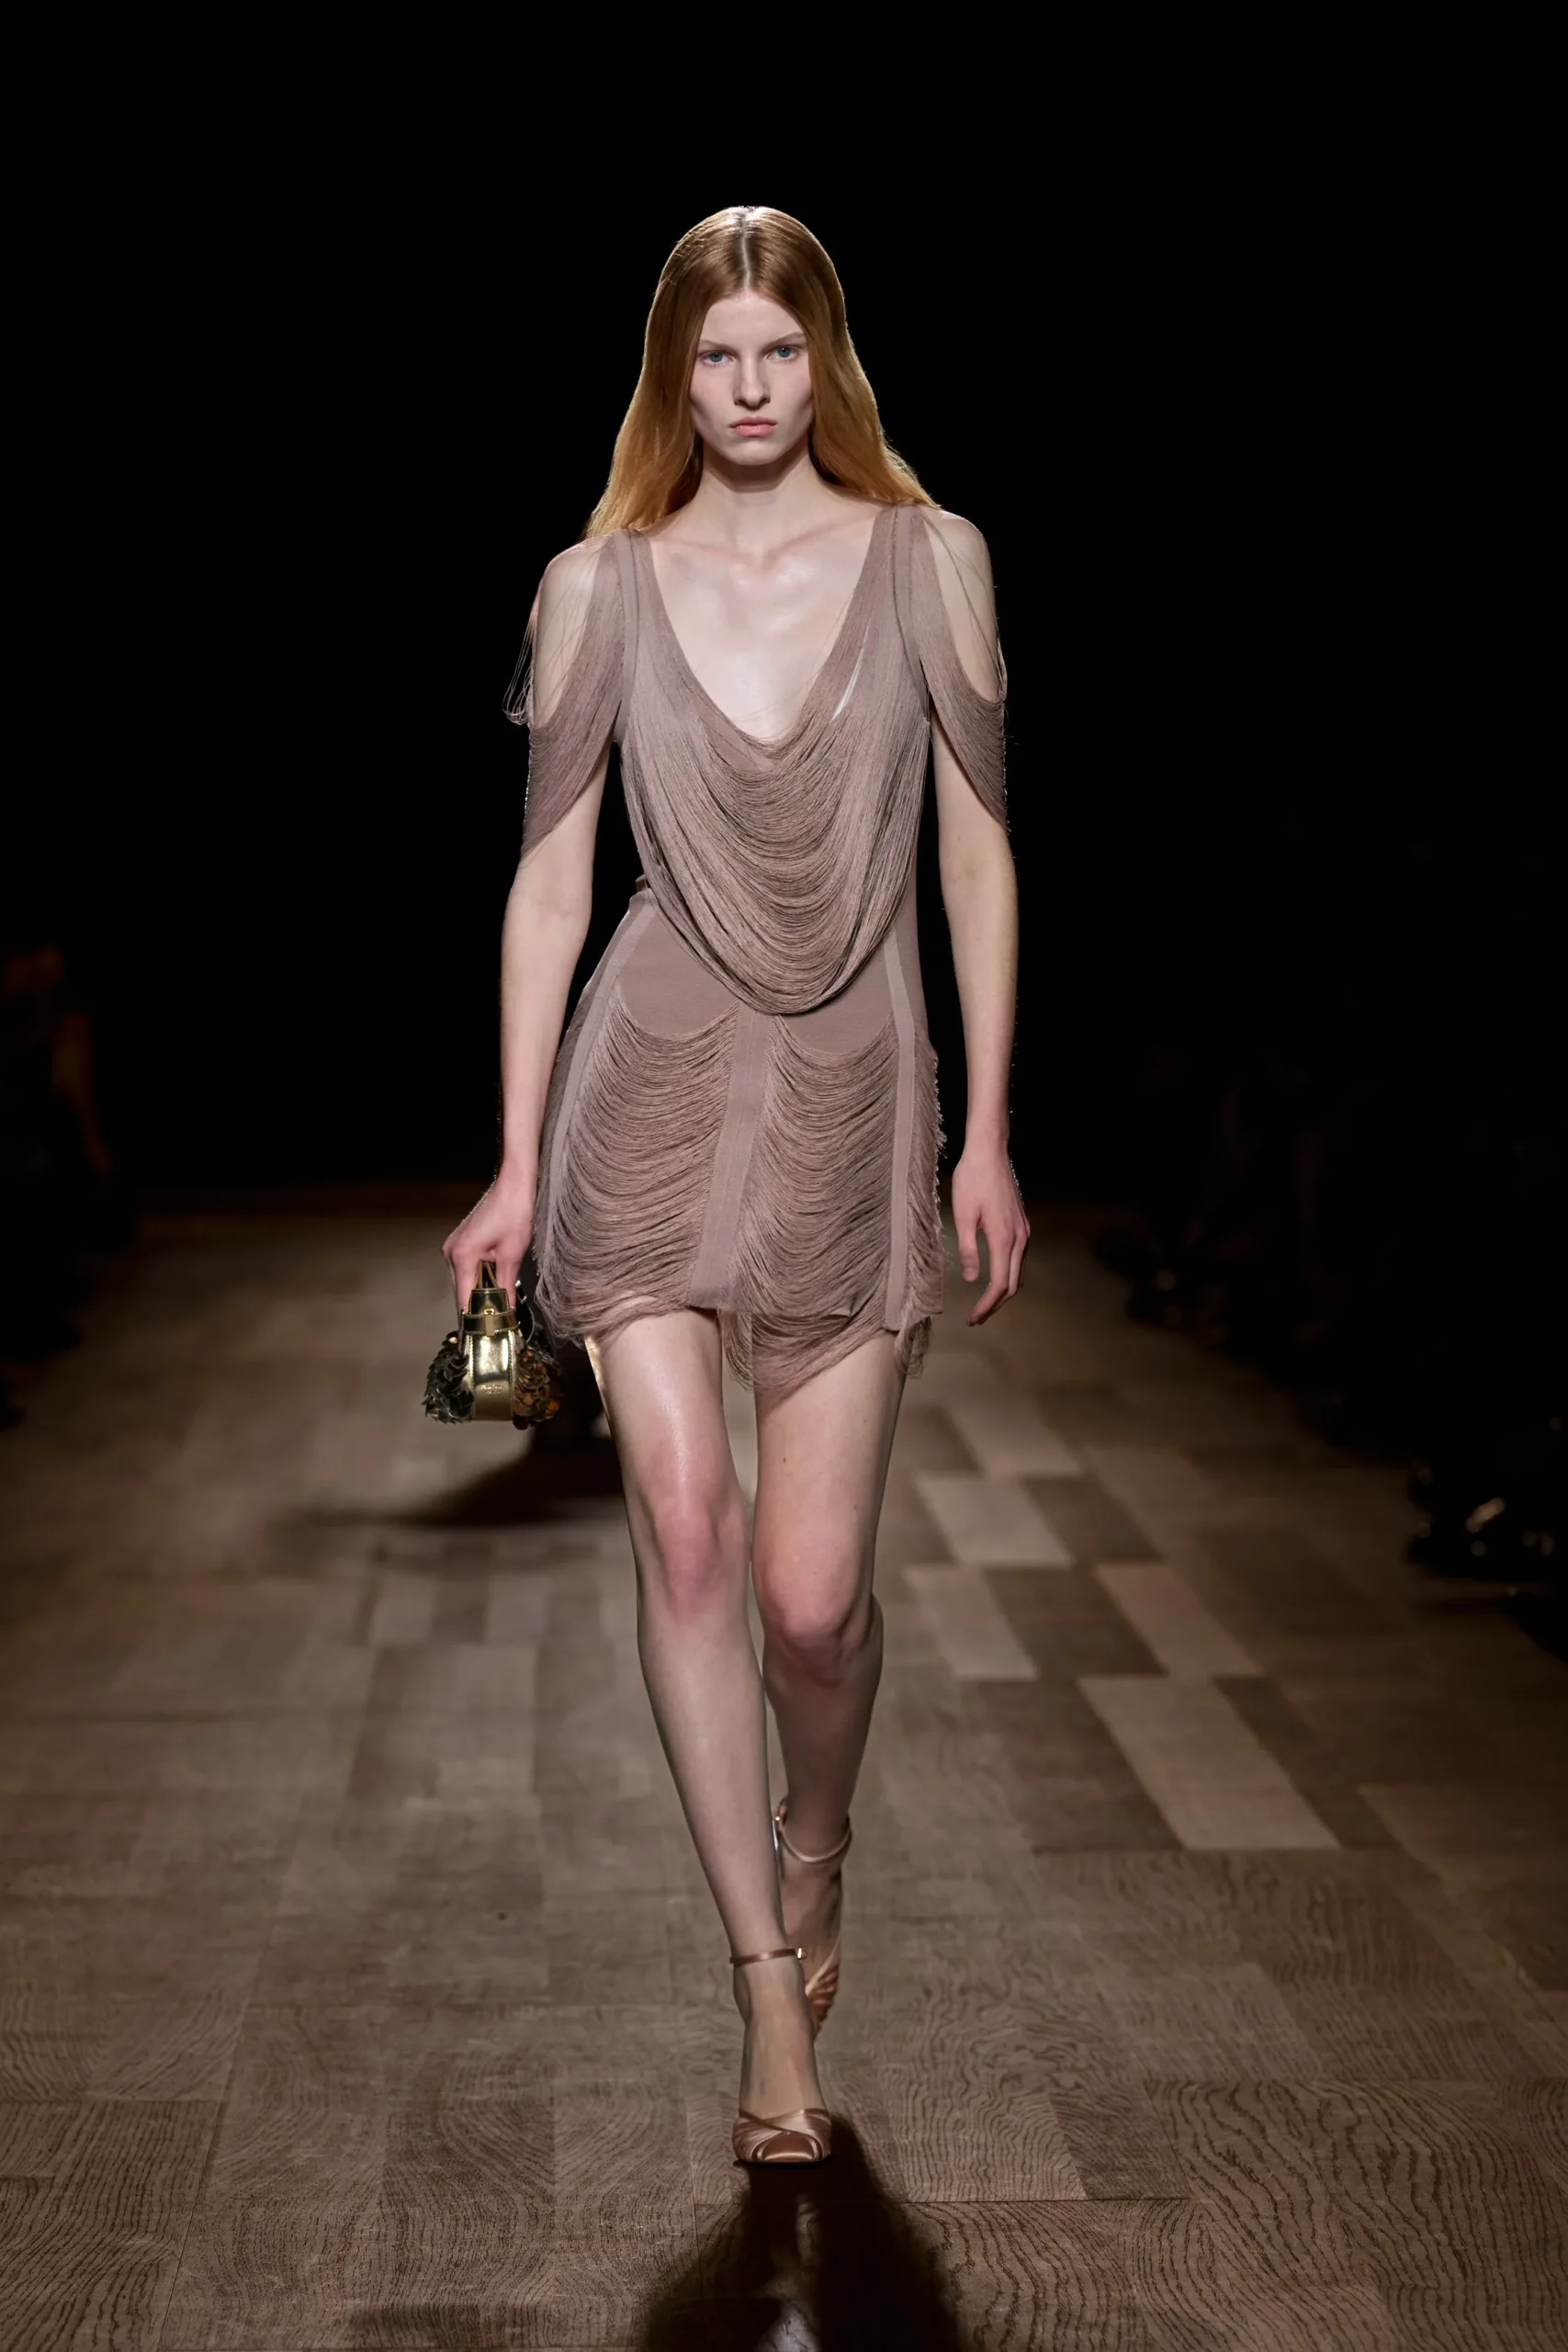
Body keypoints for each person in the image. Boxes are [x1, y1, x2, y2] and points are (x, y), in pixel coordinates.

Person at [445, 206, 1028, 2165]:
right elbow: (550, 884)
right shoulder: (593, 588)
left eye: (781, 351)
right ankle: (763, 1979)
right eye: (716, 356)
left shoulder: (931, 560)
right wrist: (515, 1156)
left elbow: (975, 853)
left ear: (826, 359)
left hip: (856, 1096)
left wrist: (988, 1126)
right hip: (650, 1084)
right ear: (671, 372)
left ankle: (818, 1835)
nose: (752, 387)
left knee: (811, 1599)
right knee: (687, 1534)